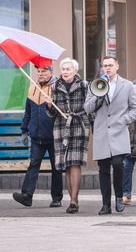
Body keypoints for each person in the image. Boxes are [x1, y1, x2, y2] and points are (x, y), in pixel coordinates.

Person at [84, 56, 136, 215]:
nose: (107, 68)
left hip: (119, 132)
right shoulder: (95, 85)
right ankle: (105, 204)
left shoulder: (127, 85)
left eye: (110, 65)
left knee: (117, 164)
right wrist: (99, 95)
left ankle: (119, 196)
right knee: (103, 169)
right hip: (102, 133)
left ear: (117, 66)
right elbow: (87, 108)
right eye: (105, 65)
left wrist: (124, 120)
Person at [13, 65, 62, 208]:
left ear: (51, 72)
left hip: (54, 136)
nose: (40, 74)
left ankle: (56, 198)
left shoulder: (57, 88)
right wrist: (24, 130)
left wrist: (51, 104)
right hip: (36, 136)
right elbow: (28, 113)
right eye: (38, 71)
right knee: (33, 165)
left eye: (44, 71)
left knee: (56, 168)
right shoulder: (32, 88)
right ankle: (27, 196)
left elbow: (61, 112)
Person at [46, 58, 90, 213]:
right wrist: (49, 105)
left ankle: (74, 200)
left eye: (68, 69)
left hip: (79, 124)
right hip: (61, 126)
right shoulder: (54, 86)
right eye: (63, 69)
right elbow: (52, 114)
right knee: (66, 164)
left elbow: (90, 107)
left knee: (75, 162)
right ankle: (72, 199)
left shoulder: (84, 85)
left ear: (75, 71)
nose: (65, 72)